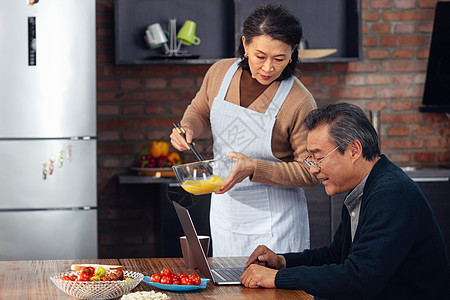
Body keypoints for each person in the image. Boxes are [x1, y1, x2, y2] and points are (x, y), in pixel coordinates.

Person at [240, 102, 450, 298]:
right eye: (310, 159)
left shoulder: (391, 193)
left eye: (318, 157)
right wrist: (283, 262)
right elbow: (336, 255)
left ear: (353, 150)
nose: (313, 169)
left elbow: (360, 278)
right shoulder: (364, 186)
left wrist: (277, 278)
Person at [170, 4, 318, 257]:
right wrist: (187, 127)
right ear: (245, 45)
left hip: (277, 225)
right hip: (226, 214)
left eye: (280, 59)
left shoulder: (299, 101)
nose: (268, 68)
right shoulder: (220, 73)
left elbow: (311, 171)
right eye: (260, 56)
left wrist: (255, 168)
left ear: (293, 54)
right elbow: (199, 110)